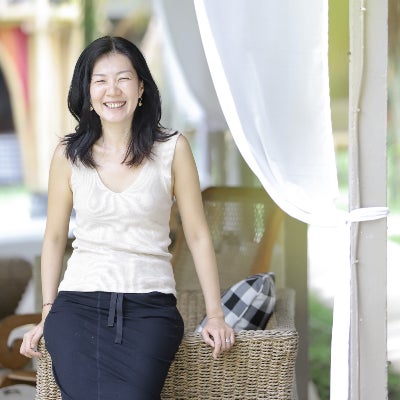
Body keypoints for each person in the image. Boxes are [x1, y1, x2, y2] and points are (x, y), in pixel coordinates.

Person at [20, 36, 234, 400]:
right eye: (100, 80)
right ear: (87, 92)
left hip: (149, 309)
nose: (113, 90)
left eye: (123, 78)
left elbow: (198, 235)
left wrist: (215, 315)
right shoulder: (68, 156)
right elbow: (54, 237)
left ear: (141, 88)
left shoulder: (173, 150)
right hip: (77, 309)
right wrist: (47, 313)